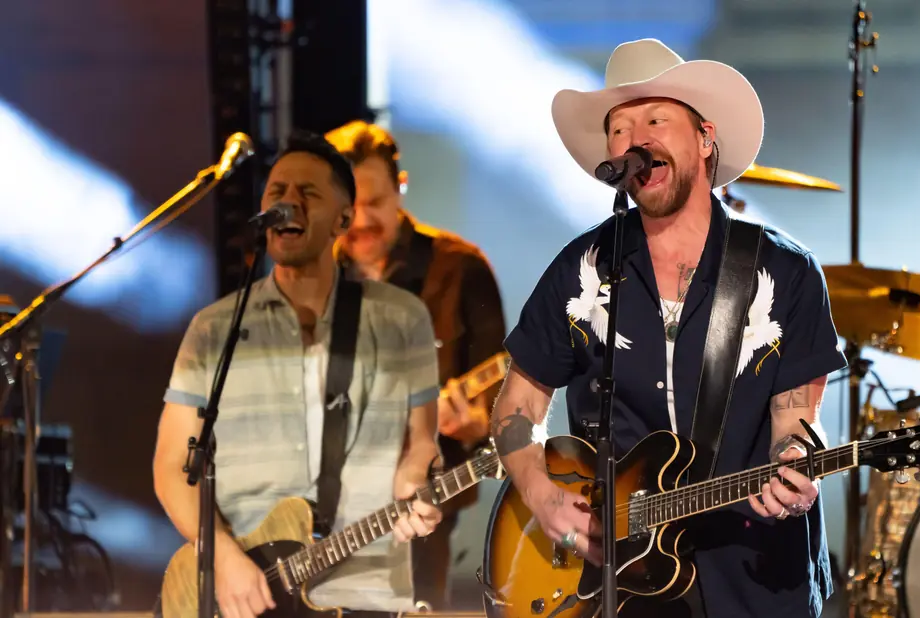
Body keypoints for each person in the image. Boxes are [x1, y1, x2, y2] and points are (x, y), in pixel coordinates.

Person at [489, 39, 848, 617]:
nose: (635, 140)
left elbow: (795, 416)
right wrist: (540, 492)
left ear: (706, 138)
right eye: (619, 129)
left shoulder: (782, 272)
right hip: (619, 584)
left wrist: (793, 463)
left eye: (655, 118)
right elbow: (518, 406)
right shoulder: (581, 270)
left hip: (753, 577)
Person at [152, 130, 444, 618]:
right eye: (277, 193)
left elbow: (422, 442)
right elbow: (171, 468)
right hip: (240, 594)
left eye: (308, 195)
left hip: (362, 590)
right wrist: (223, 558)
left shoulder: (402, 318)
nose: (288, 204)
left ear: (343, 219)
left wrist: (416, 480)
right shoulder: (214, 328)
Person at [325, 120, 507, 610]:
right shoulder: (313, 279)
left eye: (376, 203)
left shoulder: (459, 269)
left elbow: (510, 409)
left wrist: (473, 429)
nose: (361, 220)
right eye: (349, 208)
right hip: (325, 511)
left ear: (400, 188)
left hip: (421, 511)